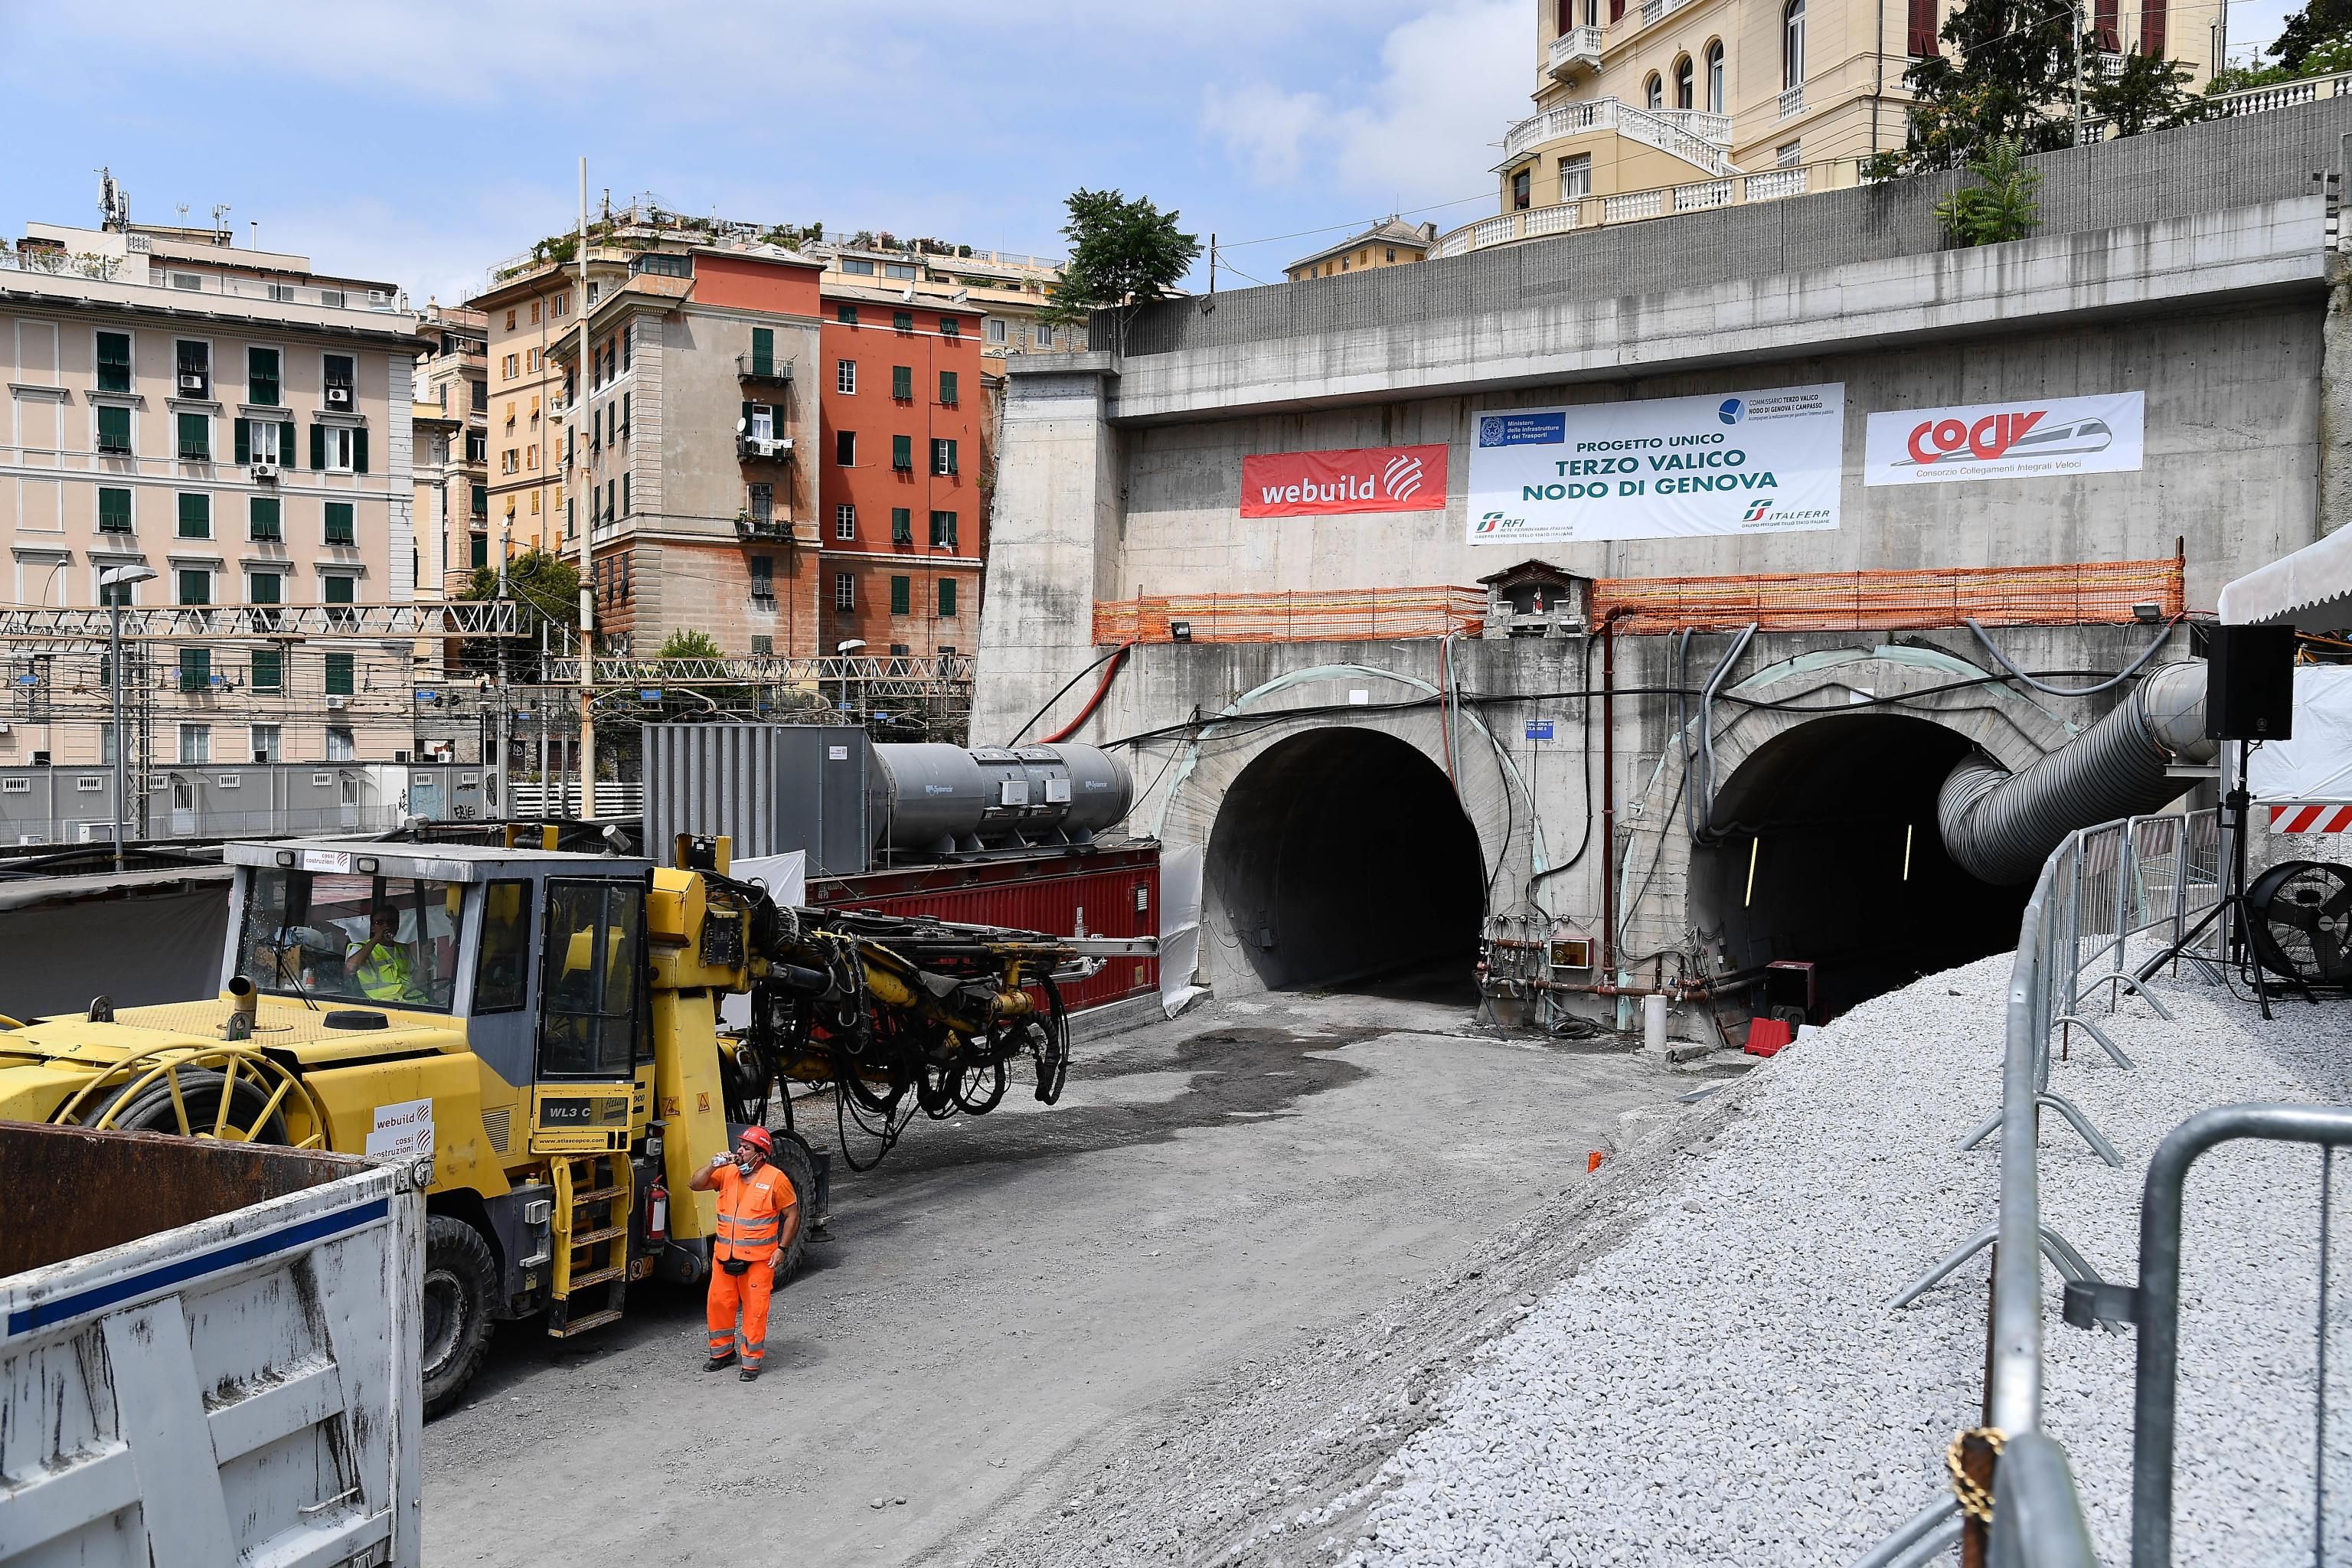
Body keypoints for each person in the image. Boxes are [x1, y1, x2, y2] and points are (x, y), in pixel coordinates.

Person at [689, 1126, 799, 1382]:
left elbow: (792, 1214)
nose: (739, 1151)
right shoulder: (727, 1172)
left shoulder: (776, 1179)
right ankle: (722, 1353)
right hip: (724, 1257)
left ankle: (751, 1363)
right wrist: (712, 1165)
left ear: (760, 1155)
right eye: (740, 1146)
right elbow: (695, 1184)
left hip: (758, 1262)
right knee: (718, 1305)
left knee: (754, 1311)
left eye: (746, 1148)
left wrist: (782, 1249)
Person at [345, 906, 416, 1003]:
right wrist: (376, 939)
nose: (386, 926)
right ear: (373, 928)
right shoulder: (360, 948)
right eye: (380, 923)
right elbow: (351, 968)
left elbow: (416, 980)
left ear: (397, 926)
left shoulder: (404, 949)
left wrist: (425, 959)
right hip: (382, 1006)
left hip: (413, 1003)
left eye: (391, 922)